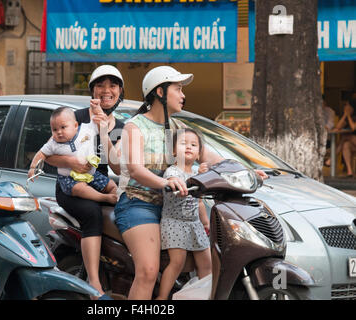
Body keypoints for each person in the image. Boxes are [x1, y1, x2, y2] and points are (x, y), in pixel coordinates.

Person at [115, 66, 268, 300]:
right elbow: (135, 170)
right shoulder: (135, 127)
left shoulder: (179, 129)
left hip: (175, 210)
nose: (183, 95)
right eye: (178, 89)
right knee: (148, 271)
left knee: (209, 264)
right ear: (160, 92)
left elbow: (212, 158)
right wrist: (167, 183)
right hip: (140, 204)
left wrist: (247, 170)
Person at [43, 65, 125, 295]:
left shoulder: (120, 127)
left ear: (120, 91)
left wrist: (104, 131)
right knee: (92, 214)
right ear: (92, 91)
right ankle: (94, 282)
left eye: (112, 85)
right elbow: (48, 156)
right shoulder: (74, 118)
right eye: (100, 85)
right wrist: (72, 163)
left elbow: (117, 166)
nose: (106, 90)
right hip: (71, 186)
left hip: (100, 182)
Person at [156, 128, 212, 300]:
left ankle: (204, 295)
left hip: (194, 223)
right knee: (177, 262)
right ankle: (162, 297)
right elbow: (175, 184)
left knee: (207, 263)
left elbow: (200, 201)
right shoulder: (172, 171)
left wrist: (205, 223)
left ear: (198, 154)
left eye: (193, 145)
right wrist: (194, 180)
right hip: (174, 222)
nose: (188, 147)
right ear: (173, 151)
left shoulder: (197, 173)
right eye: (183, 143)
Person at [27, 106, 117, 204]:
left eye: (63, 127)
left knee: (111, 184)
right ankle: (103, 198)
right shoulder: (53, 144)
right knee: (80, 189)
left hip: (92, 174)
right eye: (55, 129)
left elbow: (99, 123)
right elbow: (41, 154)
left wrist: (98, 112)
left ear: (75, 125)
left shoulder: (86, 130)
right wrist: (33, 168)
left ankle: (117, 199)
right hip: (69, 179)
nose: (59, 132)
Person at [328, 98, 356, 177]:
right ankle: (349, 171)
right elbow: (338, 127)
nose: (345, 107)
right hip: (353, 143)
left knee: (345, 137)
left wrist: (348, 116)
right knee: (345, 145)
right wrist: (345, 115)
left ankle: (331, 159)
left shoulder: (351, 117)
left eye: (347, 105)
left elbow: (353, 127)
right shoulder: (349, 117)